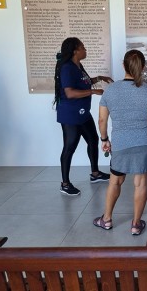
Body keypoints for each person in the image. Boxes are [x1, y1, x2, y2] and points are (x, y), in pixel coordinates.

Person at [93, 50, 147, 236]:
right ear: (143, 68)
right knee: (140, 184)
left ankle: (106, 219)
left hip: (121, 144)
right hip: (145, 142)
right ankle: (135, 224)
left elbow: (102, 120)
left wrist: (104, 139)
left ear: (123, 66)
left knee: (115, 181)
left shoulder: (111, 91)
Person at [53, 37, 113, 196]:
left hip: (83, 114)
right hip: (70, 115)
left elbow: (84, 82)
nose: (85, 50)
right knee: (69, 147)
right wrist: (94, 91)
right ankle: (65, 183)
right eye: (83, 48)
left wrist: (99, 78)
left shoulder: (78, 66)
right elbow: (70, 93)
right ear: (75, 51)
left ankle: (95, 173)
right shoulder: (67, 68)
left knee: (93, 140)